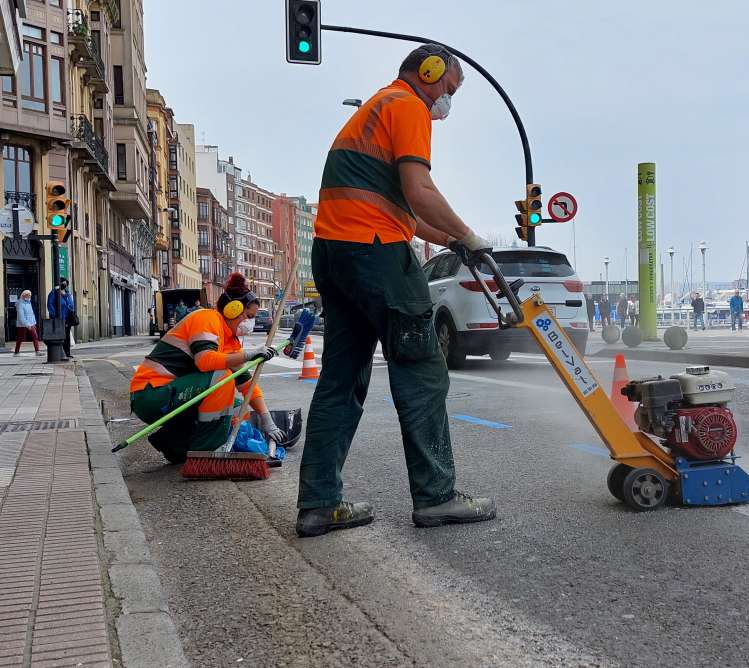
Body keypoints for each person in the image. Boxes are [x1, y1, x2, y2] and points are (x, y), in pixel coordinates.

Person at [296, 43, 496, 538]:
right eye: (449, 89)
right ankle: (436, 497)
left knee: (342, 378)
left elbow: (403, 213)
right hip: (378, 256)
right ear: (429, 71)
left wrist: (450, 240)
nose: (445, 105)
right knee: (423, 370)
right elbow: (419, 191)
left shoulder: (374, 109)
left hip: (336, 254)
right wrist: (471, 236)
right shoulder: (408, 106)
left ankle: (319, 503)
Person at [129, 273, 284, 464]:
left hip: (174, 394)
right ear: (232, 309)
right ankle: (207, 452)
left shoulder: (230, 340)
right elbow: (205, 360)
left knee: (236, 408)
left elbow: (246, 384)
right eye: (249, 316)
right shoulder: (207, 318)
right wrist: (249, 354)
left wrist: (267, 420)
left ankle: (174, 444)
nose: (250, 323)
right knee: (221, 377)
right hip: (150, 394)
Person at [47, 278, 76, 359]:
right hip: (59, 318)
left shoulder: (68, 293)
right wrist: (54, 315)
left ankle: (67, 353)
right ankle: (61, 353)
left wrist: (72, 313)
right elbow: (50, 304)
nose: (64, 285)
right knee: (60, 336)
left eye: (66, 283)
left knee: (67, 336)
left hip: (68, 318)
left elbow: (71, 305)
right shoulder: (54, 293)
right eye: (63, 283)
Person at [14, 290, 40, 356]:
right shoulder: (20, 304)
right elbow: (21, 316)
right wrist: (27, 324)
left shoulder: (29, 302)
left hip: (31, 323)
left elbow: (31, 313)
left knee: (35, 337)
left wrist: (34, 323)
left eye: (30, 295)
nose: (29, 296)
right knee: (20, 338)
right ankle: (16, 352)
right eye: (28, 295)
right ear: (23, 295)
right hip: (22, 324)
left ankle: (37, 351)